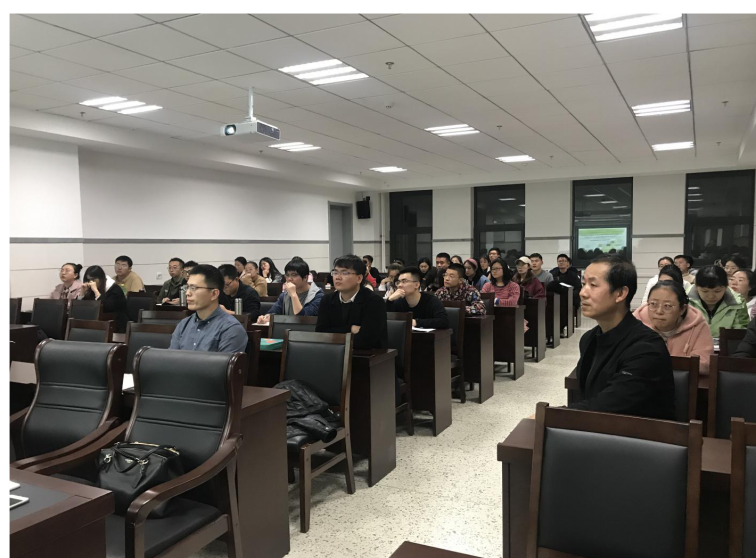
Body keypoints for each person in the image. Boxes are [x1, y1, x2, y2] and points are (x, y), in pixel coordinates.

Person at [569, 255, 675, 419]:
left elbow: (608, 406)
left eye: (593, 285)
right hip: (598, 429)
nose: (583, 293)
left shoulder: (647, 349)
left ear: (620, 293)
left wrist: (547, 415)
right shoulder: (589, 338)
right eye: (583, 284)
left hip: (639, 433)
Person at [633, 281, 714, 373]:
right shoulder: (635, 323)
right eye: (653, 304)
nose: (659, 311)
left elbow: (704, 364)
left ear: (682, 309)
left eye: (667, 306)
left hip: (683, 381)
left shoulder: (698, 325)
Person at [170, 264, 247, 353]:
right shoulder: (183, 325)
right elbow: (171, 358)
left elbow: (224, 362)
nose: (187, 293)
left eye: (193, 288)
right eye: (187, 287)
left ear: (214, 294)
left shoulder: (231, 329)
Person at [316, 254, 388, 350]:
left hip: (369, 356)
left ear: (359, 278)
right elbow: (321, 334)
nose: (338, 277)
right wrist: (350, 328)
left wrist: (334, 334)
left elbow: (366, 340)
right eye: (335, 272)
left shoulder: (374, 301)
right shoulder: (327, 300)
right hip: (333, 352)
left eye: (345, 273)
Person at [687, 265, 750, 338]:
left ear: (726, 287)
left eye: (717, 291)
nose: (711, 296)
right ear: (696, 287)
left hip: (726, 344)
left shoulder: (737, 302)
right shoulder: (684, 300)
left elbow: (740, 332)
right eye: (705, 291)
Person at [257, 259, 323, 324]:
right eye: (287, 275)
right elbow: (274, 311)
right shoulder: (284, 295)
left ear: (305, 277)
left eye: (294, 275)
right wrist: (266, 318)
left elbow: (303, 320)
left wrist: (293, 295)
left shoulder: (318, 296)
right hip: (286, 329)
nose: (289, 279)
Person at [79, 265, 128, 332]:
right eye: (88, 280)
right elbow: (81, 309)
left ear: (101, 278)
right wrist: (82, 293)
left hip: (116, 325)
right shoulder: (91, 290)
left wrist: (96, 292)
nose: (91, 282)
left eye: (93, 280)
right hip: (94, 324)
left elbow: (107, 307)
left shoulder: (115, 289)